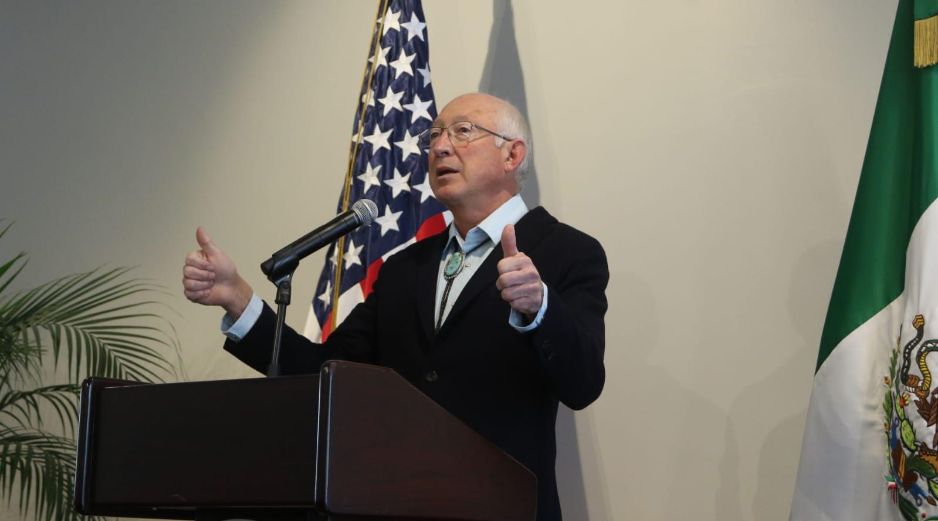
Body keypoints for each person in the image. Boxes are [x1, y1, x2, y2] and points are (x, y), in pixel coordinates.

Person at [183, 93, 608, 521]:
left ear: (512, 154)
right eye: (435, 135)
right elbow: (326, 372)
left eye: (463, 131)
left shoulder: (567, 252)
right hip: (397, 505)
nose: (440, 146)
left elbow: (584, 383)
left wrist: (540, 309)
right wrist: (237, 298)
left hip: (504, 507)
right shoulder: (405, 268)